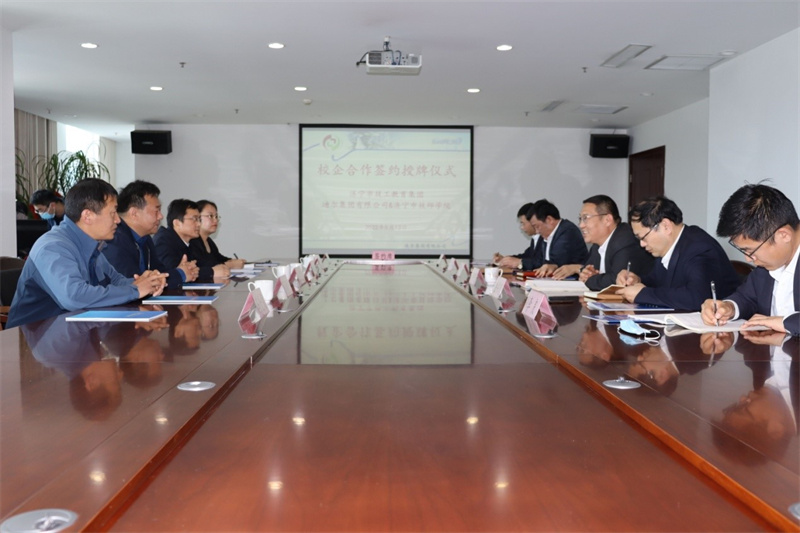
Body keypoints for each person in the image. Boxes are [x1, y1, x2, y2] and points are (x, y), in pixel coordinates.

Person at [7, 178, 167, 329]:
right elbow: (74, 296)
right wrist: (135, 290)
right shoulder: (53, 247)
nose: (118, 220)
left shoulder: (93, 245)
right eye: (113, 213)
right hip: (29, 339)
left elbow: (116, 281)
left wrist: (147, 282)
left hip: (69, 332)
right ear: (88, 216)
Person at [700, 183, 799, 336]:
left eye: (751, 251)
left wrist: (784, 322)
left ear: (783, 235)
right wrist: (728, 307)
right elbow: (747, 297)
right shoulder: (767, 266)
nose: (748, 259)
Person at [615, 195, 740, 310]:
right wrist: (637, 280)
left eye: (643, 237)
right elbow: (658, 280)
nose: (642, 244)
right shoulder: (668, 246)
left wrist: (643, 294)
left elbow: (697, 297)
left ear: (666, 226)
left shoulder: (699, 248)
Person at [102, 180, 199, 289]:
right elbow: (135, 284)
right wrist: (180, 274)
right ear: (134, 213)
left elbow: (159, 272)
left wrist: (181, 271)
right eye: (156, 211)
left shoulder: (145, 238)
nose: (161, 216)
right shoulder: (114, 239)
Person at [552, 195, 653, 290]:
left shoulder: (625, 239)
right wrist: (585, 273)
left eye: (586, 218)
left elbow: (616, 281)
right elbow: (588, 273)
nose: (581, 225)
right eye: (580, 219)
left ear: (607, 220)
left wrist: (590, 279)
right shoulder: (597, 245)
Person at [153, 199, 230, 281]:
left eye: (199, 219)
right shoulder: (163, 241)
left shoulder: (189, 242)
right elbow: (168, 274)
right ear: (177, 223)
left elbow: (199, 265)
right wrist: (211, 272)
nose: (199, 224)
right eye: (194, 219)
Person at [526, 199, 588, 277]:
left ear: (549, 220)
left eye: (537, 226)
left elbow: (556, 262)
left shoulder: (567, 231)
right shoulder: (545, 236)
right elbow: (539, 262)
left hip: (575, 280)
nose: (537, 231)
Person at [189, 200, 246, 270]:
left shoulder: (209, 241)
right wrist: (230, 265)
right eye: (210, 216)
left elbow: (219, 258)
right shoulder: (192, 241)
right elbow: (203, 266)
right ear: (197, 217)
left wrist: (233, 261)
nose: (215, 220)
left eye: (216, 216)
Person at [493, 202, 540, 269]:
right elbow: (526, 256)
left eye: (523, 223)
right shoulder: (535, 238)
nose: (522, 227)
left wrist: (519, 262)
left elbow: (541, 262)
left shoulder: (544, 238)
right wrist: (505, 259)